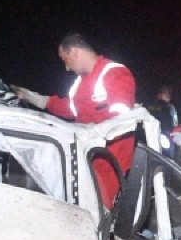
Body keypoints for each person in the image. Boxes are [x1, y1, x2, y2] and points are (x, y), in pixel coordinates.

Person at [13, 33, 136, 208]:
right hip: (88, 160)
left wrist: (90, 131)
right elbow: (71, 109)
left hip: (112, 163)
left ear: (75, 52)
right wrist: (40, 100)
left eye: (65, 60)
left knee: (103, 214)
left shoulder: (114, 73)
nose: (67, 68)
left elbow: (122, 118)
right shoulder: (79, 84)